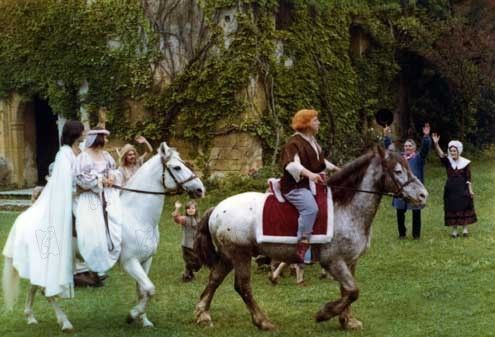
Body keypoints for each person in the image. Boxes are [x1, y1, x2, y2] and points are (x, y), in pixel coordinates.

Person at [3, 120, 85, 298]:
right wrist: (83, 188)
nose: (84, 134)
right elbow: (66, 185)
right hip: (67, 200)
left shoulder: (74, 152)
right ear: (75, 134)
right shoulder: (64, 155)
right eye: (82, 132)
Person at [280, 109, 339, 263]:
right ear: (306, 124)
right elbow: (292, 165)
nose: (318, 122)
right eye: (315, 120)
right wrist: (311, 175)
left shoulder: (312, 141)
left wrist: (335, 169)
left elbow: (320, 161)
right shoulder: (293, 143)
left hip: (309, 185)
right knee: (310, 209)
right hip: (295, 187)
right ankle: (302, 247)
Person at [74, 127, 123, 273]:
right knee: (94, 230)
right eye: (105, 137)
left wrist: (112, 177)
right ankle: (94, 263)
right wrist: (100, 180)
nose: (107, 140)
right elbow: (81, 177)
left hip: (108, 195)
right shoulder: (84, 157)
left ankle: (111, 253)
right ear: (98, 139)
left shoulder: (106, 155)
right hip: (91, 197)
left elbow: (113, 170)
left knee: (113, 225)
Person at [383, 123, 432, 239]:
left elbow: (425, 149)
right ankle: (402, 234)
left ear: (414, 148)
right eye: (405, 146)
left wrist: (426, 137)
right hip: (401, 187)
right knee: (400, 211)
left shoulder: (418, 158)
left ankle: (416, 235)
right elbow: (389, 150)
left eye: (410, 146)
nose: (407, 148)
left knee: (416, 212)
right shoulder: (399, 157)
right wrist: (387, 137)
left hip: (414, 189)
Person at [432, 134, 477, 237]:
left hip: (463, 189)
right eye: (451, 151)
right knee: (452, 208)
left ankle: (465, 229)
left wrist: (470, 190)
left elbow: (468, 178)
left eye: (454, 151)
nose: (452, 153)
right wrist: (436, 144)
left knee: (464, 207)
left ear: (458, 151)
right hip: (451, 189)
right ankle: (454, 230)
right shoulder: (448, 162)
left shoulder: (465, 163)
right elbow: (441, 155)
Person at [172, 200, 201, 282]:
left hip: (196, 244)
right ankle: (186, 276)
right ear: (186, 210)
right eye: (188, 208)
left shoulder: (198, 220)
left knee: (198, 261)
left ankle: (188, 274)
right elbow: (176, 218)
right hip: (187, 245)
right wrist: (177, 208)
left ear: (196, 209)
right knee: (190, 261)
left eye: (192, 208)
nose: (190, 210)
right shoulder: (185, 219)